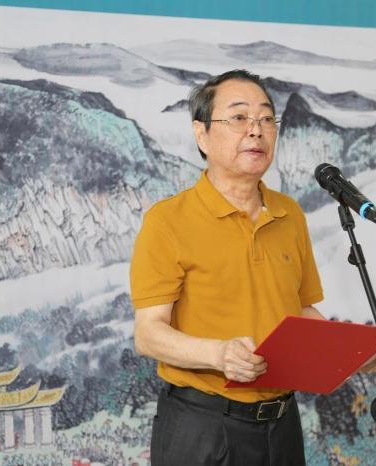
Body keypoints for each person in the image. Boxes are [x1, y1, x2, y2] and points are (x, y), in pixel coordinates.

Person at [131, 69, 327, 466]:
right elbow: (148, 334)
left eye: (267, 118)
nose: (256, 130)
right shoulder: (167, 220)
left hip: (282, 424)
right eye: (239, 117)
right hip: (203, 424)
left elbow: (301, 311)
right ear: (201, 134)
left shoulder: (289, 214)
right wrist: (218, 354)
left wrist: (350, 348)